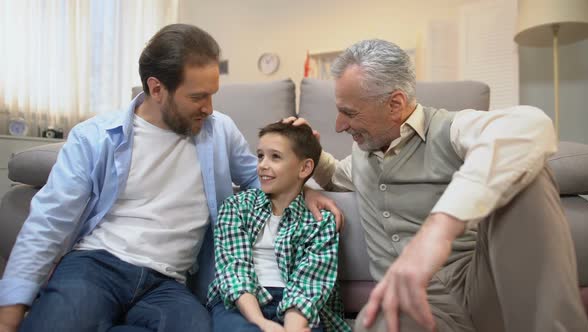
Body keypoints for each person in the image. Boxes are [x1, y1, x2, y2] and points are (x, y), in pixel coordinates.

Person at [0, 24, 340, 332]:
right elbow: (49, 222)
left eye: (212, 94)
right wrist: (8, 315)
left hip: (168, 283)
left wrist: (305, 190)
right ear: (157, 88)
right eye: (197, 97)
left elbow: (261, 178)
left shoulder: (219, 130)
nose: (209, 107)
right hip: (97, 265)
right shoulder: (95, 137)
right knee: (60, 322)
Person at [290, 39, 588, 332]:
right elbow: (335, 177)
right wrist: (309, 156)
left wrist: (439, 229)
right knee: (382, 320)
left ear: (395, 104)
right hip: (412, 307)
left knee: (527, 174)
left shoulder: (452, 128)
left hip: (481, 290)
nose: (339, 125)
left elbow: (530, 126)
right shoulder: (362, 153)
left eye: (350, 113)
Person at [207, 122, 350, 332]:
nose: (263, 165)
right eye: (260, 156)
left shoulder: (321, 220)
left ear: (305, 168)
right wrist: (261, 322)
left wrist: (293, 327)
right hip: (242, 301)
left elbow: (309, 284)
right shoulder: (236, 206)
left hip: (298, 308)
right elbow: (234, 270)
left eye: (275, 157)